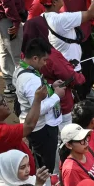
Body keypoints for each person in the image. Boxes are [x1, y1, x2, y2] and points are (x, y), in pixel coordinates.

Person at [13, 39, 67, 169]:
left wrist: (51, 87)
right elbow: (39, 108)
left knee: (40, 158)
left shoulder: (20, 69)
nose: (45, 63)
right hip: (42, 128)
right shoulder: (31, 80)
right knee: (46, 165)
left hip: (34, 125)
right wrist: (56, 96)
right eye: (44, 60)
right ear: (35, 58)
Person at [0, 90, 38, 164]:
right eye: (2, 103)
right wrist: (37, 100)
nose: (6, 104)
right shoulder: (0, 132)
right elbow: (29, 126)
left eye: (4, 100)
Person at [57, 122, 94, 186]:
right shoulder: (71, 170)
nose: (86, 142)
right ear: (69, 145)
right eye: (81, 140)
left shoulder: (86, 153)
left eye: (86, 138)